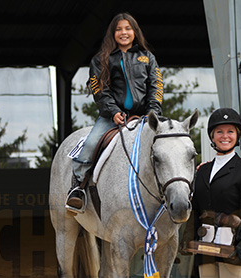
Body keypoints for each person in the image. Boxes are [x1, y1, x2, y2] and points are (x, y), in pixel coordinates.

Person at [65, 12, 164, 213]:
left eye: (128, 28)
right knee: (91, 143)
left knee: (167, 145)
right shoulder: (101, 59)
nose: (123, 32)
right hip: (112, 117)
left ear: (135, 32)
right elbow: (100, 90)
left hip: (145, 116)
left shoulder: (147, 57)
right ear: (112, 34)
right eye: (119, 29)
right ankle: (77, 188)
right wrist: (113, 112)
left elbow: (156, 86)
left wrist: (152, 112)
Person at [181, 108, 241, 278]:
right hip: (205, 251)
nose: (225, 136)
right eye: (219, 132)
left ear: (237, 135)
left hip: (234, 252)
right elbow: (195, 209)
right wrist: (187, 239)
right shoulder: (202, 171)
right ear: (212, 136)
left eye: (230, 131)